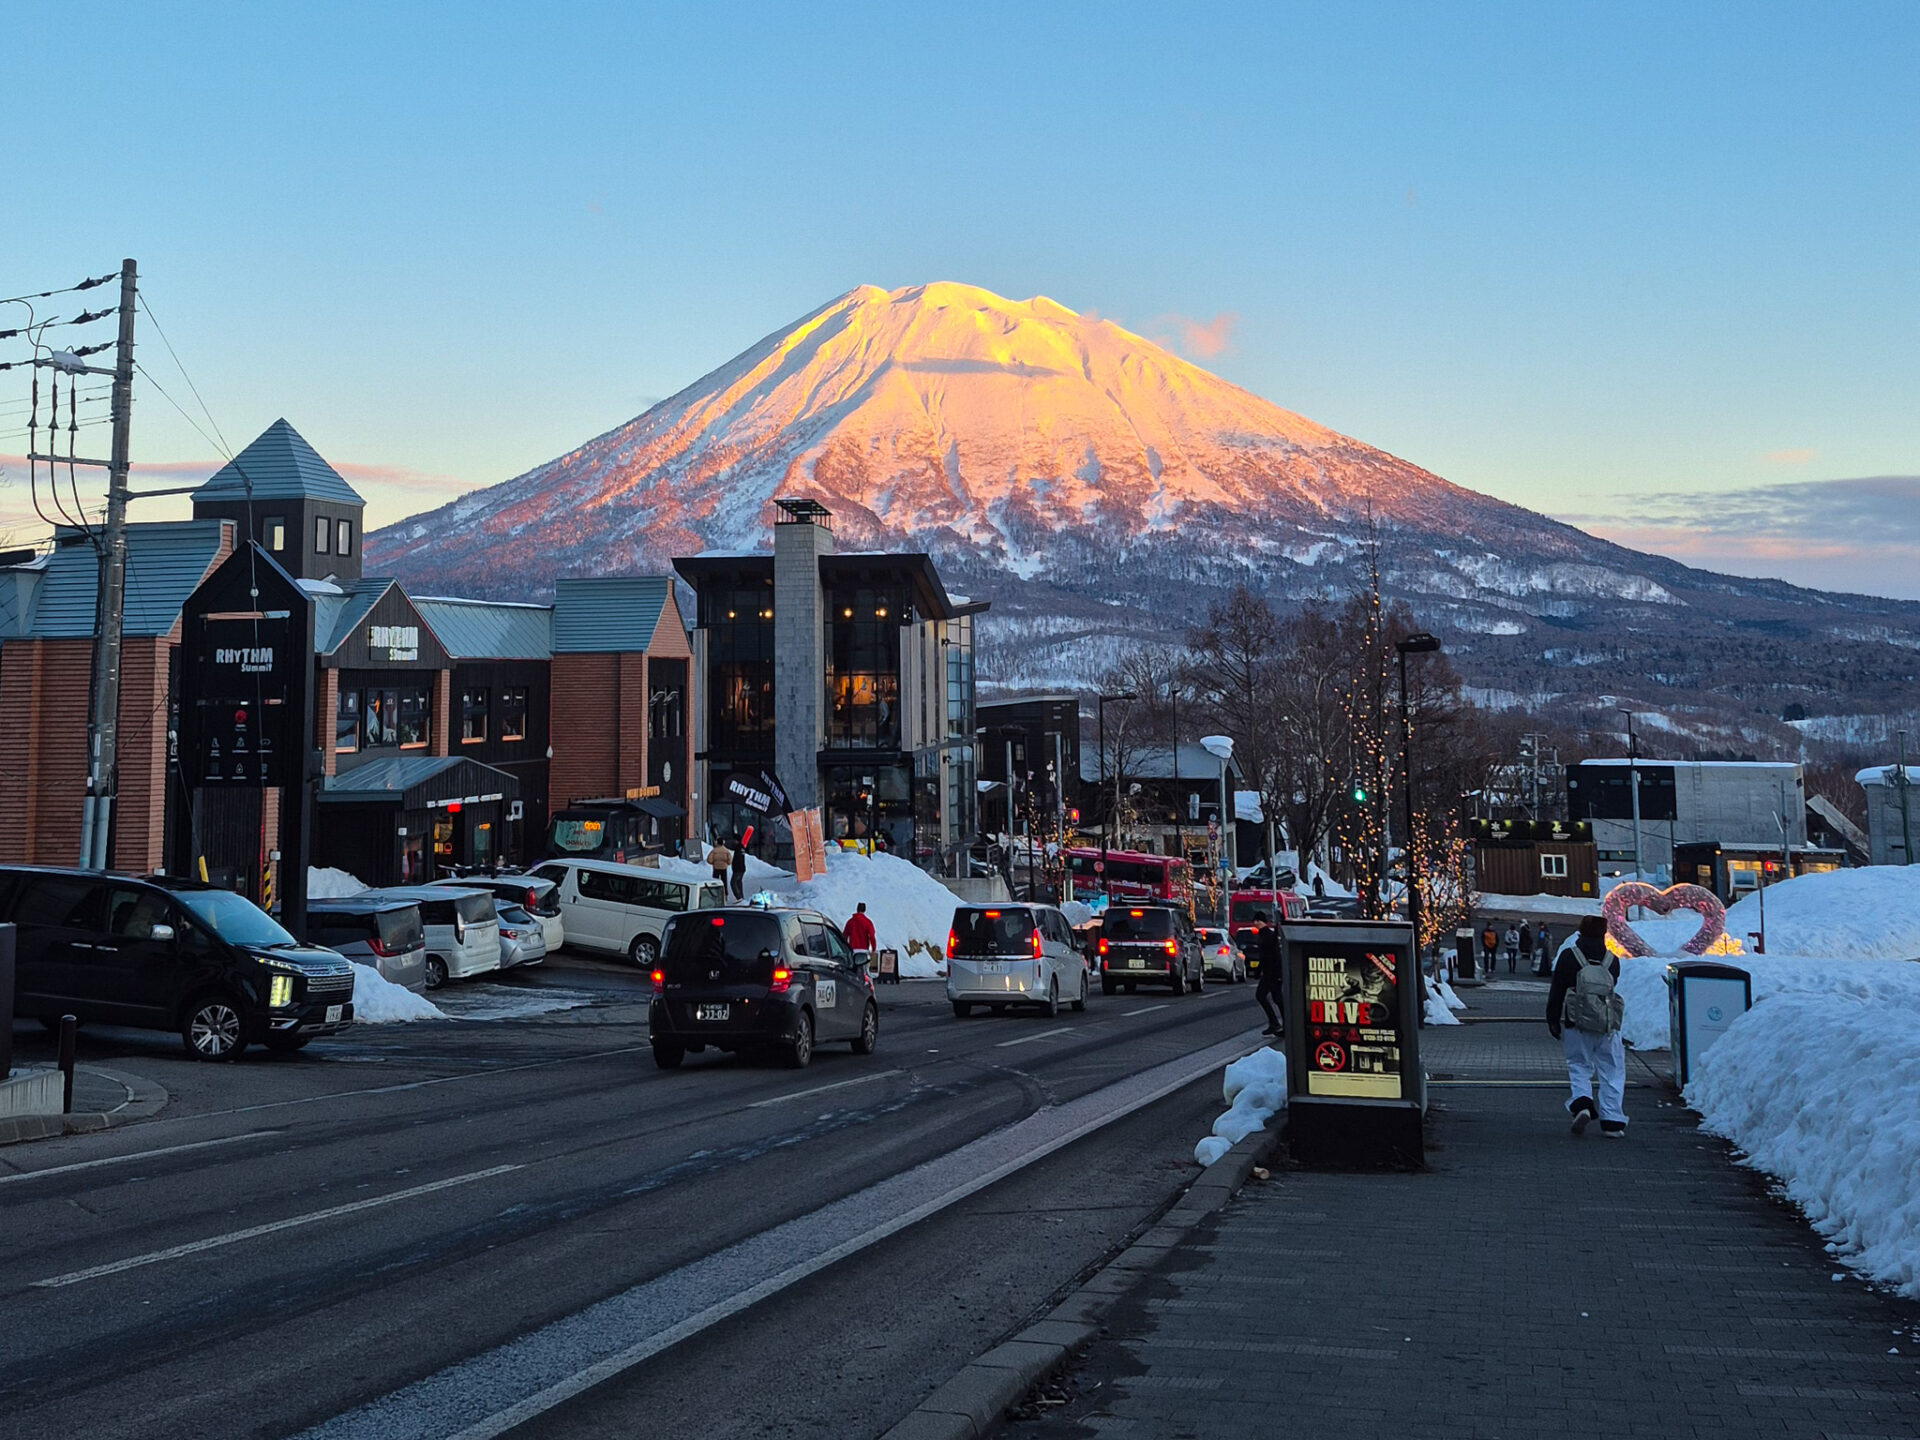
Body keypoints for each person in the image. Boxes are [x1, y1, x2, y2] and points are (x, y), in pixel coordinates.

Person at [1546, 915, 1628, 1137]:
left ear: (1580, 931)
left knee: (1579, 1064)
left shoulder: (1569, 956)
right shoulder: (1612, 960)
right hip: (1606, 1023)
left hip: (1577, 1022)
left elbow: (1557, 990)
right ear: (1604, 933)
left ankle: (1582, 1103)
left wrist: (1553, 1020)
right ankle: (1612, 1121)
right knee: (1611, 1070)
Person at [1251, 918, 1285, 1037]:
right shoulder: (1268, 935)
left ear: (1258, 921)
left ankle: (1276, 1023)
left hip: (1271, 973)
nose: (1254, 924)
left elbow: (1269, 956)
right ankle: (1282, 1024)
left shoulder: (1267, 936)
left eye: (1255, 921)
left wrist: (1261, 971)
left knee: (1263, 996)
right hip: (1273, 973)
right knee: (1277, 998)